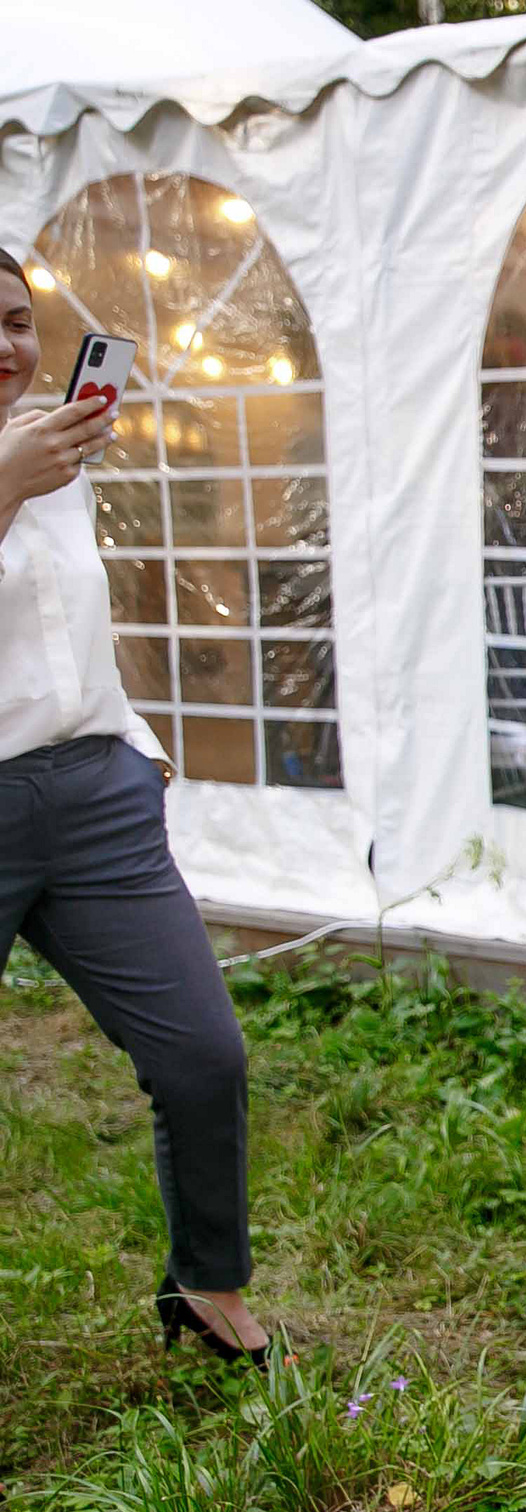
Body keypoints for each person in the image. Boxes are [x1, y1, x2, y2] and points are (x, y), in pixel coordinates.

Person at [0, 249, 269, 1366]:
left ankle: (207, 1285)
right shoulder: (25, 462)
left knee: (206, 1058)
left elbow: (65, 627)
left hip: (94, 794)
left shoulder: (53, 453)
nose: (11, 348)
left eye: (17, 321)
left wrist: (131, 744)